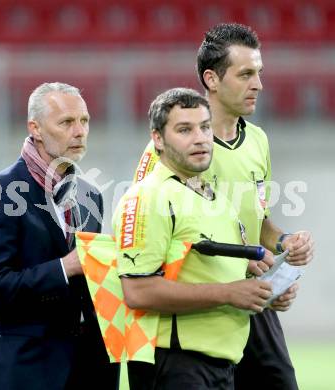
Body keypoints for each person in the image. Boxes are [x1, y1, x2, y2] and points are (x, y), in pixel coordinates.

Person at [134, 23, 314, 389]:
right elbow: (149, 230)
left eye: (259, 73)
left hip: (249, 297)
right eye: (246, 74)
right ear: (212, 80)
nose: (258, 84)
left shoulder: (258, 141)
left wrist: (283, 244)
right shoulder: (173, 151)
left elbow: (256, 219)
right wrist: (241, 261)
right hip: (198, 307)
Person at [114, 87, 274, 390]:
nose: (200, 138)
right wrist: (228, 293)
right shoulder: (148, 197)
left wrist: (264, 289)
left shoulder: (214, 197)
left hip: (221, 365)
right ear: (158, 139)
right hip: (175, 364)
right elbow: (137, 291)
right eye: (184, 129)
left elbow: (204, 265)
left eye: (205, 126)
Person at [0, 82, 119, 390]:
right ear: (35, 128)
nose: (79, 131)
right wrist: (65, 267)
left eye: (84, 121)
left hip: (89, 369)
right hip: (25, 371)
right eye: (66, 122)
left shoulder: (91, 195)